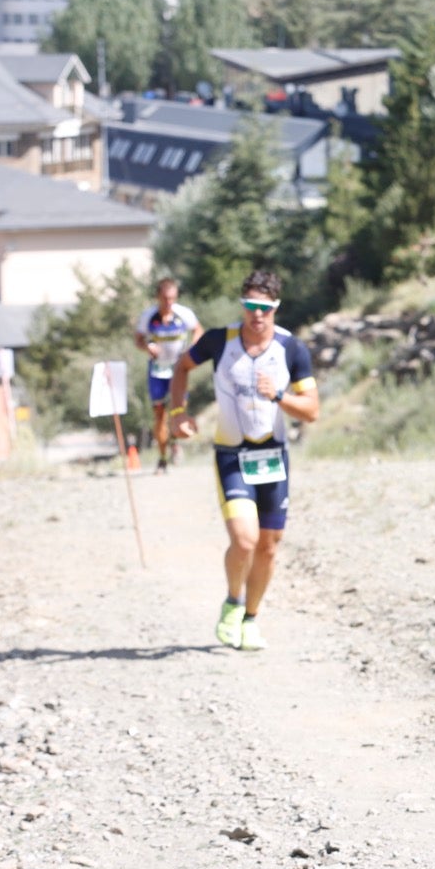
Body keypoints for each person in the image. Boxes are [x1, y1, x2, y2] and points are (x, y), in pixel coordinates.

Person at [168, 271, 319, 651]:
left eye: (264, 308)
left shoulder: (291, 349)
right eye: (250, 306)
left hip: (273, 456)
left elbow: (312, 411)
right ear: (242, 305)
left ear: (275, 308)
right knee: (245, 539)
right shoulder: (220, 340)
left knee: (269, 545)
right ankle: (233, 602)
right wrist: (179, 412)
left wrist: (279, 396)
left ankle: (251, 618)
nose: (257, 315)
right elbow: (182, 368)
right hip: (233, 455)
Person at [134, 277, 204, 473]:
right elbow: (138, 339)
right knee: (159, 415)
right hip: (157, 369)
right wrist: (148, 347)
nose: (169, 303)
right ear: (158, 297)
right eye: (165, 298)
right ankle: (162, 457)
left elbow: (198, 330)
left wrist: (192, 348)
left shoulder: (184, 314)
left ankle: (175, 444)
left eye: (172, 298)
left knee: (177, 410)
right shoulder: (149, 316)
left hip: (178, 370)